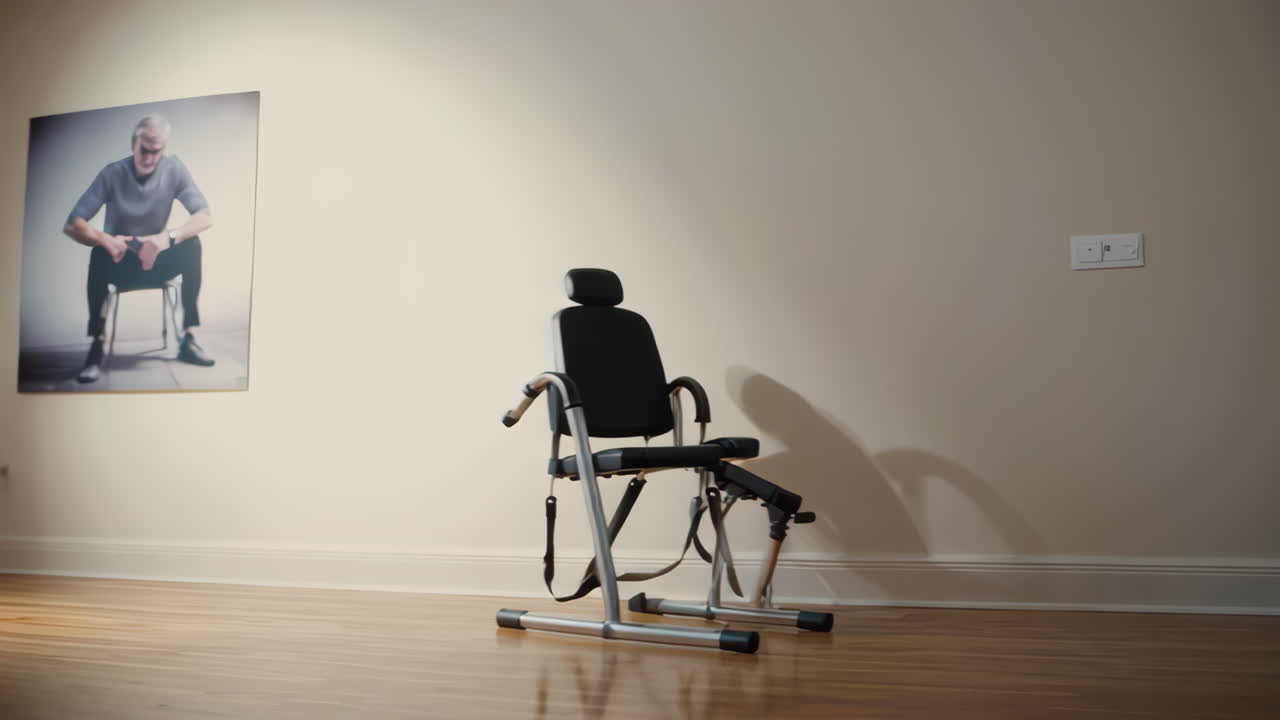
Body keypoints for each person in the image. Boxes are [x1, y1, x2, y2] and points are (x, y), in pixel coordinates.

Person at [63, 115, 216, 383]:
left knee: (192, 245)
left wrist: (165, 238)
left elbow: (205, 217)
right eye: (144, 150)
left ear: (163, 149)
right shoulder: (112, 173)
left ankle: (188, 339)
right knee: (98, 252)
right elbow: (73, 224)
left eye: (156, 151)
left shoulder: (174, 169)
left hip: (154, 259)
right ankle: (97, 345)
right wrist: (105, 239)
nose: (149, 158)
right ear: (134, 144)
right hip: (120, 262)